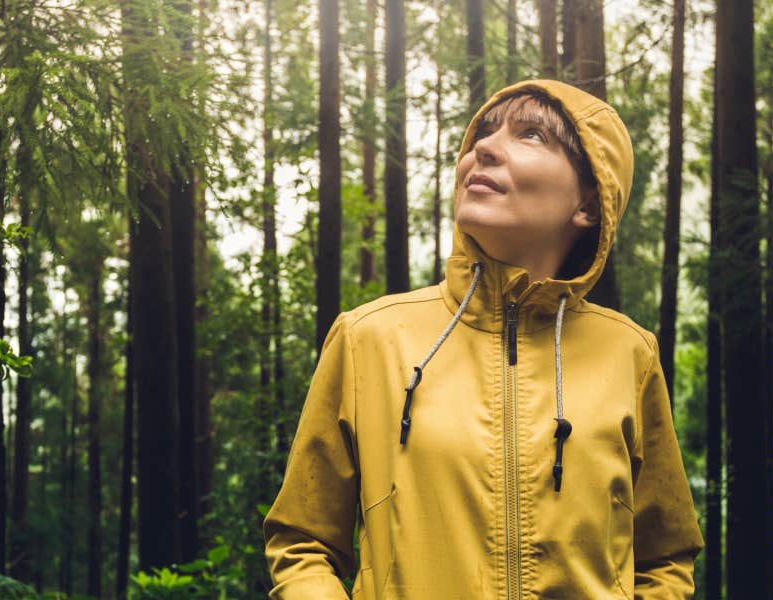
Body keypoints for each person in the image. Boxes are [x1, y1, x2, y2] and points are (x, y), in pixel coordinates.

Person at [263, 79, 704, 599]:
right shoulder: (368, 340)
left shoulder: (630, 354)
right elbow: (302, 542)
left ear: (589, 202)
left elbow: (664, 559)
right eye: (483, 135)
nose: (484, 149)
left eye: (532, 135)